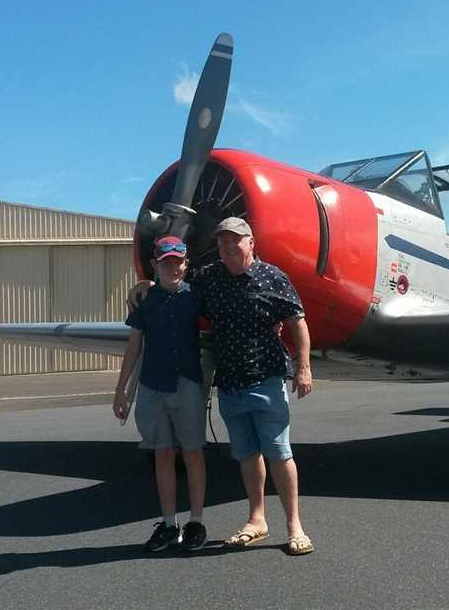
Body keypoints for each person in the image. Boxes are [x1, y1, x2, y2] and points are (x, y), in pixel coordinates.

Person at [129, 217, 315, 556]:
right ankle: (256, 520)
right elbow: (174, 280)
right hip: (229, 382)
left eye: (236, 240)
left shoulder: (274, 277)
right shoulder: (210, 276)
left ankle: (295, 527)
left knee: (279, 451)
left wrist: (303, 368)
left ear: (251, 243)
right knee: (246, 454)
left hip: (267, 378)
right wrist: (143, 285)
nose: (229, 246)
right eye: (223, 241)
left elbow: (297, 321)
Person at [114, 236, 208, 552]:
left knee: (193, 452)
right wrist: (121, 389)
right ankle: (169, 524)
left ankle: (196, 521)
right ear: (155, 264)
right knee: (163, 454)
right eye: (165, 262)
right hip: (152, 386)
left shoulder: (197, 296)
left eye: (178, 261)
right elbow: (134, 345)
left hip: (188, 385)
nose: (172, 267)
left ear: (186, 264)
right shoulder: (144, 300)